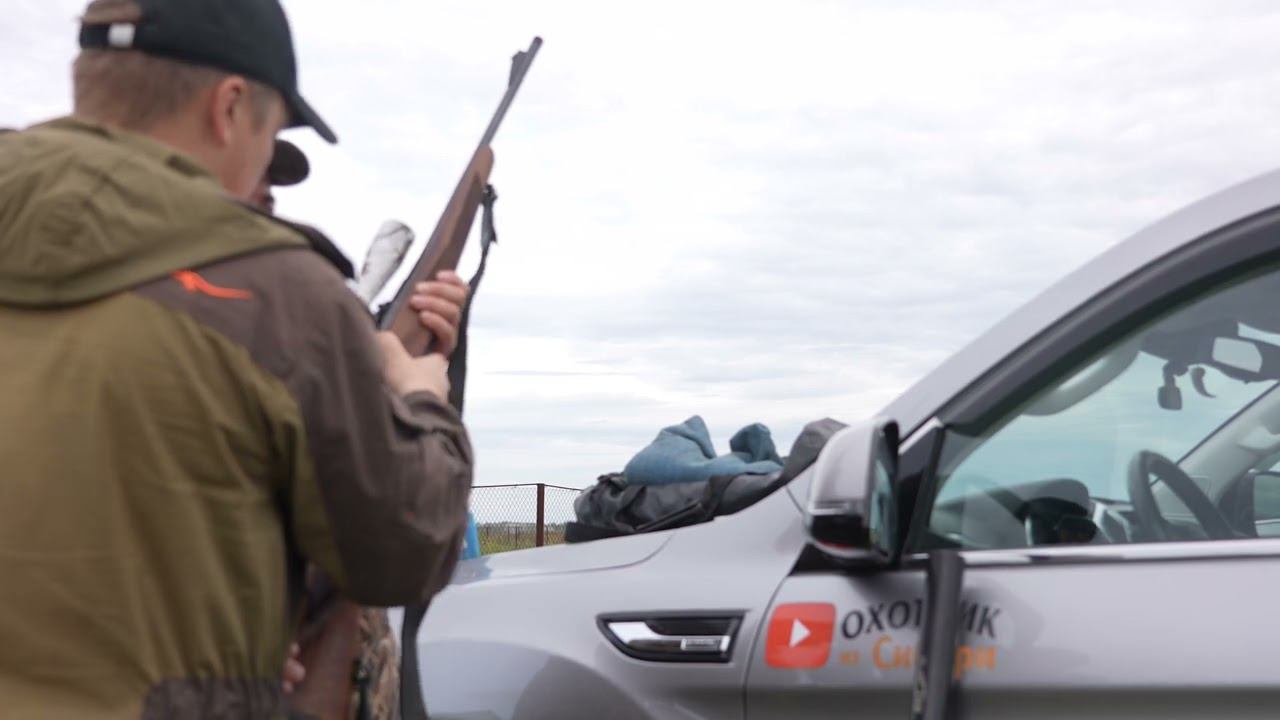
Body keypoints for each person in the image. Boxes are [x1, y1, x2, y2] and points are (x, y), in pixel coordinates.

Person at [0, 1, 473, 718]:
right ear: (227, 108)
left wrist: (230, 627)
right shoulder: (276, 294)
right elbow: (405, 549)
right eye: (270, 130)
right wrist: (423, 397)